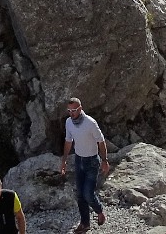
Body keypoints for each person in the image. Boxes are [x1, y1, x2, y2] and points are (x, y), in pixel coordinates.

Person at [58, 97, 109, 232]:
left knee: (88, 194)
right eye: (69, 111)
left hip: (92, 161)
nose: (71, 113)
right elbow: (68, 141)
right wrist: (64, 161)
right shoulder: (69, 122)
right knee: (80, 194)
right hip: (78, 160)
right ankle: (85, 223)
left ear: (80, 109)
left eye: (73, 110)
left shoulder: (90, 123)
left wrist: (105, 160)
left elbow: (101, 141)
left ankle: (99, 211)